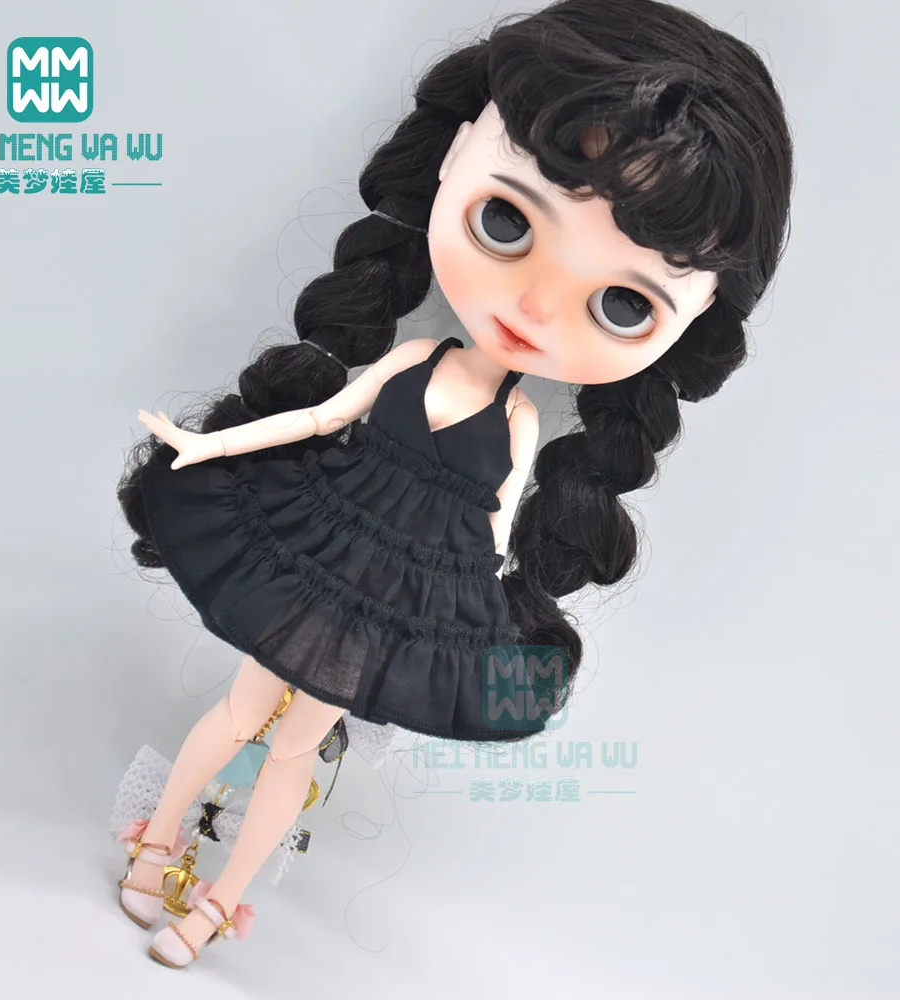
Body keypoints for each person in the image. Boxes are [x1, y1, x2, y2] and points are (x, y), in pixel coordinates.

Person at [114, 0, 794, 969]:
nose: (535, 306)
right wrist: (203, 444)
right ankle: (154, 846)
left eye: (622, 303)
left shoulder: (520, 423)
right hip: (322, 542)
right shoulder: (410, 360)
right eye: (507, 219)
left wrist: (479, 621)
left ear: (692, 330)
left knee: (295, 746)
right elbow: (317, 420)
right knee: (239, 712)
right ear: (453, 154)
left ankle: (216, 904)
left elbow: (497, 531)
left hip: (396, 587)